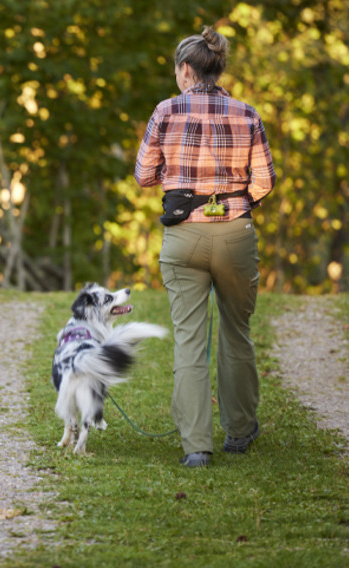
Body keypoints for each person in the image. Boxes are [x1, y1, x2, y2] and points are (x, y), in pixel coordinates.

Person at [135, 26, 276, 467]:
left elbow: (143, 174)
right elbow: (265, 181)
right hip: (235, 232)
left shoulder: (166, 110)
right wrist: (234, 202)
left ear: (185, 70)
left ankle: (196, 446)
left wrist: (178, 183)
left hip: (182, 236)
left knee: (189, 340)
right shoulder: (247, 113)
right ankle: (239, 431)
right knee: (237, 331)